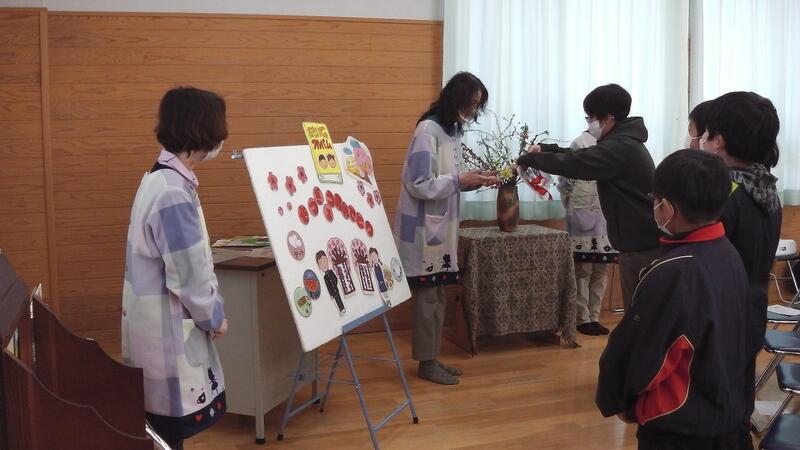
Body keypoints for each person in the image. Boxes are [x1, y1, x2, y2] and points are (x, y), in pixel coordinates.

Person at [596, 150, 749, 449]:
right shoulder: (728, 252)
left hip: (679, 425)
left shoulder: (675, 272)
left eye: (654, 199)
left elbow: (643, 354)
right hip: (725, 409)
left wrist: (620, 400)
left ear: (666, 207)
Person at [122, 87, 229, 450]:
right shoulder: (172, 192)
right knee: (166, 437)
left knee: (159, 432)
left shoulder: (158, 179)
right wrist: (214, 318)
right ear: (205, 131)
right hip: (166, 338)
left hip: (153, 330)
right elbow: (189, 278)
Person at [393, 71, 499, 385]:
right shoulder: (428, 131)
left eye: (477, 105)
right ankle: (426, 363)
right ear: (457, 99)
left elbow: (449, 179)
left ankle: (432, 357)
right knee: (428, 299)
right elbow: (419, 183)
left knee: (437, 295)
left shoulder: (451, 132)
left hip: (439, 229)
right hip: (423, 231)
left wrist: (473, 180)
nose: (474, 111)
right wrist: (459, 180)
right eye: (472, 103)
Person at [517, 83, 660, 310]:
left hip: (641, 245)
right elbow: (582, 154)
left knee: (640, 315)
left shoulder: (621, 146)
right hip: (637, 241)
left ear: (608, 118)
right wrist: (547, 150)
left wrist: (532, 159)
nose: (589, 123)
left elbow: (578, 163)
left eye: (591, 117)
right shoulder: (623, 142)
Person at [700, 91, 781, 442]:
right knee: (737, 398)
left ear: (719, 140)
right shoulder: (766, 187)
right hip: (751, 309)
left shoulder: (724, 193)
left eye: (706, 132)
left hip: (717, 316)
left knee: (713, 406)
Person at [556, 130, 618, 336]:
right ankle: (582, 318)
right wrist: (572, 205)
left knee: (601, 269)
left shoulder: (613, 144)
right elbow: (565, 180)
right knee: (583, 269)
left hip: (606, 215)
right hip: (581, 215)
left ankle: (595, 316)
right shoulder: (579, 143)